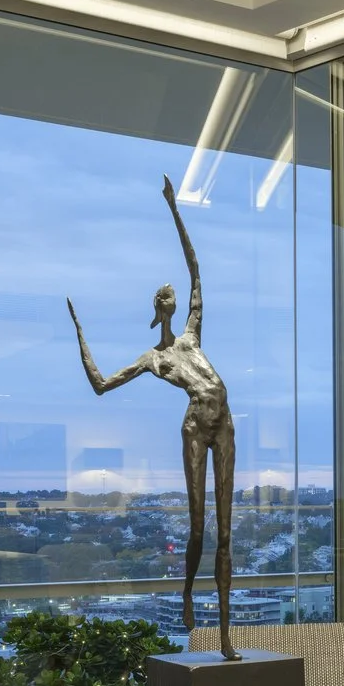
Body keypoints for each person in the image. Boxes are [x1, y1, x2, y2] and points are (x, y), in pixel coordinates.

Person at [67, 175, 238, 659]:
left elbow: (196, 269)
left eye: (172, 297)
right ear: (157, 308)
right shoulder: (154, 358)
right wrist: (79, 332)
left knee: (227, 533)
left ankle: (225, 637)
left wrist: (173, 206)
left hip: (224, 422)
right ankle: (187, 592)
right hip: (194, 426)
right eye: (164, 298)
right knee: (200, 528)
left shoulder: (192, 335)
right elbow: (102, 384)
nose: (173, 299)